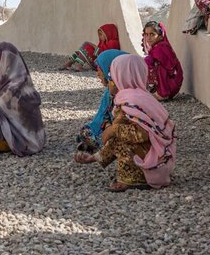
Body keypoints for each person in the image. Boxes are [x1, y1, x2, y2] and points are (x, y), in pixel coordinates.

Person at [75, 54, 177, 192]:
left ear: (123, 78)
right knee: (118, 137)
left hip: (154, 164)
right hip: (157, 159)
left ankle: (133, 179)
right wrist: (94, 157)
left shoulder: (132, 101)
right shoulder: (135, 97)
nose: (109, 81)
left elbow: (142, 134)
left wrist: (113, 129)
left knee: (121, 139)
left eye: (112, 77)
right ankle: (130, 172)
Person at [76, 49, 128, 153]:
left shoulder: (130, 97)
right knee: (86, 132)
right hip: (111, 125)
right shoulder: (109, 93)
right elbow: (102, 115)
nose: (98, 74)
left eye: (100, 70)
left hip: (125, 131)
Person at [142, 21, 183, 100]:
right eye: (146, 34)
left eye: (152, 34)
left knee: (151, 63)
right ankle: (159, 90)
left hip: (172, 82)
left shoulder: (161, 47)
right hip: (171, 82)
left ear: (160, 36)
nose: (148, 38)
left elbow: (169, 67)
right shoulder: (156, 47)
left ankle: (163, 93)